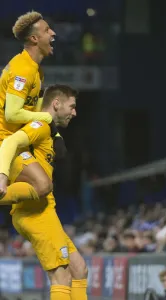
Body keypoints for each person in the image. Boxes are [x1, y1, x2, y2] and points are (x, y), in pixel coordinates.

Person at [0, 85, 88, 300]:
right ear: (56, 104)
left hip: (47, 210)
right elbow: (11, 142)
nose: (75, 112)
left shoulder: (49, 131)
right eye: (72, 106)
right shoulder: (39, 126)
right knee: (61, 277)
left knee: (79, 269)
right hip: (36, 214)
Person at [0, 11, 65, 205]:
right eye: (47, 30)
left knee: (44, 186)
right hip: (4, 140)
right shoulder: (23, 69)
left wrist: (55, 135)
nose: (53, 33)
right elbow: (12, 114)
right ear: (35, 38)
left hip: (15, 141)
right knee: (43, 185)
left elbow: (36, 113)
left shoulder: (37, 71)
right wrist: (48, 120)